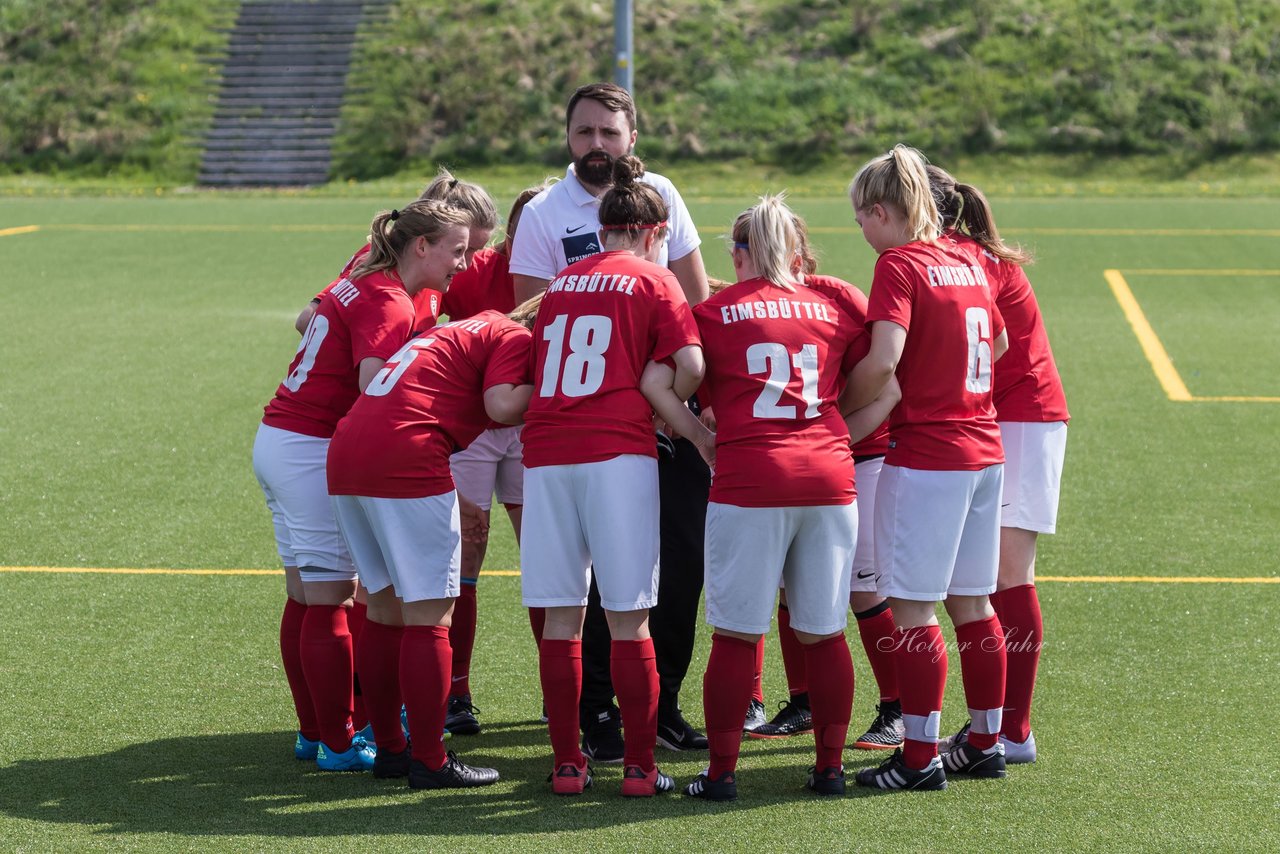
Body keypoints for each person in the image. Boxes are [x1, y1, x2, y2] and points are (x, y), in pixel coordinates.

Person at [509, 81, 712, 760]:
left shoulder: (664, 194)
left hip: (601, 433)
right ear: (568, 137)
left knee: (676, 563)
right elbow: (527, 327)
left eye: (609, 133)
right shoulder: (542, 213)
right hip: (615, 429)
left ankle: (657, 709)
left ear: (632, 138)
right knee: (614, 593)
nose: (596, 146)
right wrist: (669, 398)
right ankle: (598, 716)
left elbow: (696, 296)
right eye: (584, 132)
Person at [679, 196, 900, 801]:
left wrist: (698, 434)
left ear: (741, 251)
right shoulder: (829, 308)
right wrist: (832, 438)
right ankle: (828, 768)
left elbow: (683, 381)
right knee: (824, 631)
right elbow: (885, 386)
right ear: (798, 249)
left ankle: (721, 773)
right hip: (829, 481)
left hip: (751, 480)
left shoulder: (716, 311)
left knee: (734, 635)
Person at [254, 200, 473, 771]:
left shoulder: (369, 276)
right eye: (457, 250)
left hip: (282, 436)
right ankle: (338, 743)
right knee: (330, 595)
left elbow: (310, 322)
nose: (465, 263)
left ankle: (315, 732)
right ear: (421, 246)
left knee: (306, 593)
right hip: (311, 445)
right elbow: (375, 382)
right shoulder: (389, 300)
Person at [843, 145, 1011, 791]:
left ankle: (917, 758)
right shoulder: (969, 258)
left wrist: (839, 408)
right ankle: (985, 741)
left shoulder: (900, 264)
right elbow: (995, 342)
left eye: (861, 217)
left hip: (929, 456)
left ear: (883, 212)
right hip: (983, 449)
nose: (861, 230)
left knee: (912, 610)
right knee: (973, 604)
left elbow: (884, 359)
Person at [325, 296, 539, 790]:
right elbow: (502, 403)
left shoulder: (474, 327)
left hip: (349, 452)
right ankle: (430, 758)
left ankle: (393, 752)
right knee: (430, 616)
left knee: (381, 607)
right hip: (406, 455)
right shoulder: (516, 336)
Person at [745, 215, 905, 752]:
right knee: (792, 585)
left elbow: (881, 371)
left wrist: (835, 424)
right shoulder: (752, 302)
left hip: (859, 458)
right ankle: (804, 701)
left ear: (800, 253)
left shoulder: (834, 294)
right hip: (803, 467)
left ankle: (897, 707)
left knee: (863, 588)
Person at [928, 165, 1069, 764]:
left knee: (1011, 575)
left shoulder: (963, 259)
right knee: (986, 578)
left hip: (1021, 416)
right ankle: (999, 725)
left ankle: (1013, 730)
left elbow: (998, 346)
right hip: (1000, 417)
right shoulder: (957, 253)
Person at [436, 182, 552, 737]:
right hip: (478, 426)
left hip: (537, 426)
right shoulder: (474, 264)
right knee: (467, 549)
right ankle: (455, 693)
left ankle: (562, 689)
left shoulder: (578, 270)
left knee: (549, 554)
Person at [295, 168, 499, 336]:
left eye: (474, 250)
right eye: (463, 249)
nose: (467, 262)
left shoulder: (435, 272)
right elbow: (308, 320)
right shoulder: (380, 260)